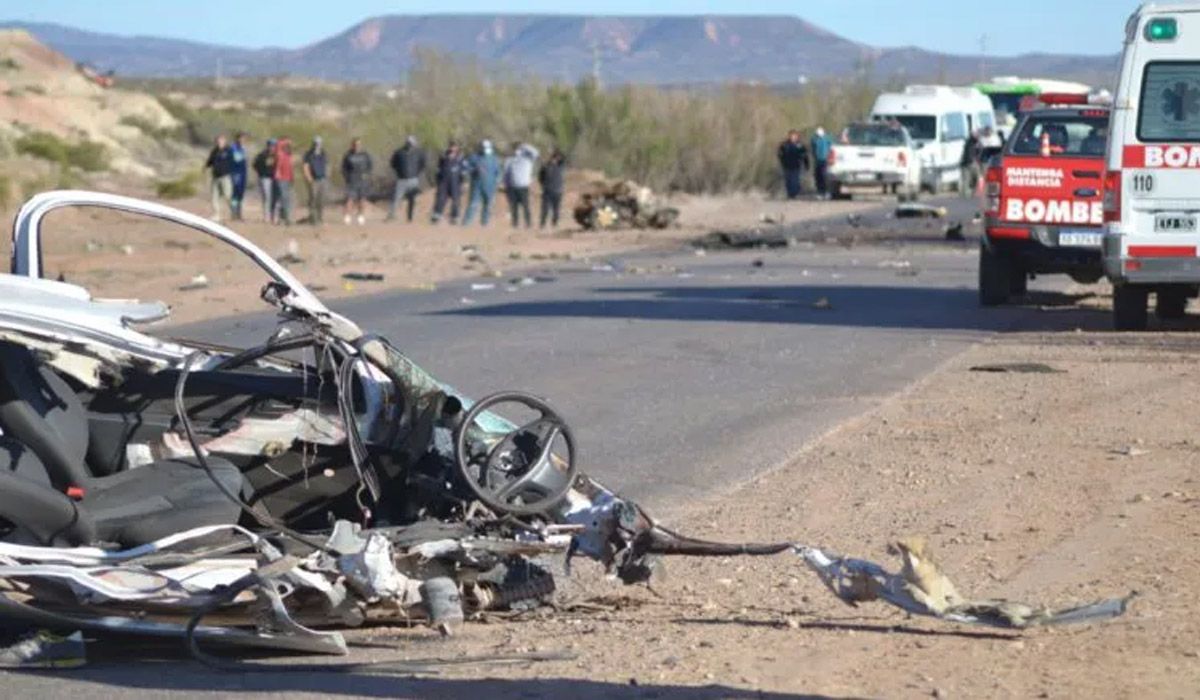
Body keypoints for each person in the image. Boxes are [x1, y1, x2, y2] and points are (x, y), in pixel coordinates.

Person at [387, 136, 427, 222]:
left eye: (412, 144)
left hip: (413, 180)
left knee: (412, 199)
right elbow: (393, 164)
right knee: (396, 197)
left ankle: (410, 217)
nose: (410, 145)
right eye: (409, 143)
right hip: (401, 180)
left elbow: (422, 164)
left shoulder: (418, 153)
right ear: (406, 143)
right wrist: (399, 172)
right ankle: (391, 215)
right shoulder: (399, 152)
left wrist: (416, 173)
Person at [462, 140, 501, 226]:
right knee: (473, 204)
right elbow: (466, 169)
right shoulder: (474, 157)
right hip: (477, 185)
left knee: (488, 204)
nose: (486, 149)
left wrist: (498, 181)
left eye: (488, 147)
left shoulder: (494, 159)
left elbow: (498, 172)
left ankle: (485, 223)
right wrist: (475, 170)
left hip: (490, 186)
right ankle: (466, 223)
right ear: (480, 147)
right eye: (484, 147)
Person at [503, 142, 539, 228]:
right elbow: (506, 174)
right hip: (512, 187)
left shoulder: (528, 159)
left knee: (525, 206)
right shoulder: (509, 160)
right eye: (515, 149)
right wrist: (506, 186)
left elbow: (536, 153)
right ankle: (515, 224)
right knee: (513, 207)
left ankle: (528, 223)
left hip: (523, 187)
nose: (517, 151)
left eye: (518, 149)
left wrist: (524, 146)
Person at [431, 140, 465, 224]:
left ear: (457, 148)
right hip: (444, 182)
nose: (453, 148)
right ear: (449, 147)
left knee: (456, 200)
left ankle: (454, 217)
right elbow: (438, 170)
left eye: (455, 147)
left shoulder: (460, 158)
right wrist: (438, 181)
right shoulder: (443, 157)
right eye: (451, 146)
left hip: (455, 182)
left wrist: (462, 183)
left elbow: (463, 172)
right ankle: (436, 216)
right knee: (440, 199)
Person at [341, 138, 373, 226]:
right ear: (352, 145)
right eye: (355, 144)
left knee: (362, 199)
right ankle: (347, 216)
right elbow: (343, 168)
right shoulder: (348, 155)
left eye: (358, 144)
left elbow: (370, 166)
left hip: (363, 180)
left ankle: (360, 216)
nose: (357, 146)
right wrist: (347, 177)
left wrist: (367, 174)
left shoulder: (365, 155)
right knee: (349, 199)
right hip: (352, 180)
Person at [203, 135, 234, 222]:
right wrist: (205, 167)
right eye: (217, 141)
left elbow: (233, 162)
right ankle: (216, 215)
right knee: (214, 197)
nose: (219, 142)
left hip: (225, 177)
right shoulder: (214, 151)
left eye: (221, 141)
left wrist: (231, 172)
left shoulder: (229, 150)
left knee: (227, 195)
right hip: (215, 177)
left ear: (225, 141)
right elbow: (210, 161)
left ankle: (233, 210)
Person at [302, 136, 328, 225]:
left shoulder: (323, 153)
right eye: (316, 143)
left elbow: (327, 164)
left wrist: (326, 175)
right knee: (313, 199)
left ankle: (320, 218)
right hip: (313, 179)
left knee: (321, 200)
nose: (317, 145)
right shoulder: (308, 154)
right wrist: (309, 177)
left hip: (322, 179)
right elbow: (305, 166)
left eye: (319, 143)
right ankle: (313, 219)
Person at [777, 130, 809, 200]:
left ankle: (794, 194)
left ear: (797, 137)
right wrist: (782, 161)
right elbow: (779, 154)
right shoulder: (784, 145)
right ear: (789, 136)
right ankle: (790, 194)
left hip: (796, 165)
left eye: (794, 136)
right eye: (791, 136)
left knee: (795, 180)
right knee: (788, 180)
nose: (792, 137)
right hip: (786, 165)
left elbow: (805, 155)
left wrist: (806, 164)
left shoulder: (800, 145)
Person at [539, 148, 566, 228]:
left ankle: (554, 223)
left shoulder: (560, 166)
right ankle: (542, 224)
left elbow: (564, 157)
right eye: (554, 157)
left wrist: (555, 151)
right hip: (548, 191)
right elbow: (540, 178)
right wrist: (544, 185)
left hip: (558, 191)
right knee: (545, 209)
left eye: (557, 158)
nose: (555, 159)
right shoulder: (545, 166)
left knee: (556, 209)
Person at [253, 138, 277, 223]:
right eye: (271, 145)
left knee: (274, 198)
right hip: (265, 178)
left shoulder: (277, 155)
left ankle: (274, 216)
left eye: (274, 145)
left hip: (275, 178)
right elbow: (255, 165)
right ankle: (266, 216)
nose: (272, 147)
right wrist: (262, 172)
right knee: (267, 197)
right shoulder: (262, 155)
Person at [273, 137, 295, 225]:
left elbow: (291, 168)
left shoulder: (289, 155)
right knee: (283, 198)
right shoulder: (280, 154)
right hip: (281, 178)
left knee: (287, 199)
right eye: (286, 146)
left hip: (288, 179)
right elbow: (277, 145)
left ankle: (284, 218)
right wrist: (286, 141)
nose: (288, 147)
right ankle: (284, 218)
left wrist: (292, 178)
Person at [229, 132, 248, 220]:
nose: (242, 140)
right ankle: (234, 213)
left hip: (243, 173)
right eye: (241, 138)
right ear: (237, 139)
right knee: (235, 193)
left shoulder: (243, 148)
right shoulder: (233, 148)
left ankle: (239, 213)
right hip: (235, 173)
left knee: (241, 193)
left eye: (244, 139)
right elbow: (236, 159)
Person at [810, 127, 833, 200]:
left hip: (825, 160)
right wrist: (814, 157)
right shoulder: (814, 139)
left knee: (824, 176)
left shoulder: (827, 139)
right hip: (817, 160)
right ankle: (820, 192)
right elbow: (813, 149)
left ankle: (826, 192)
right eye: (818, 134)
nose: (819, 136)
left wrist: (830, 158)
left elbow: (831, 148)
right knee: (818, 176)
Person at [960, 129, 981, 198]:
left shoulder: (977, 143)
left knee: (976, 178)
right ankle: (966, 194)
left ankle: (972, 192)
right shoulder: (969, 142)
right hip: (967, 163)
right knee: (966, 179)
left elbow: (979, 151)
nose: (976, 136)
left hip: (973, 163)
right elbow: (968, 153)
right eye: (975, 134)